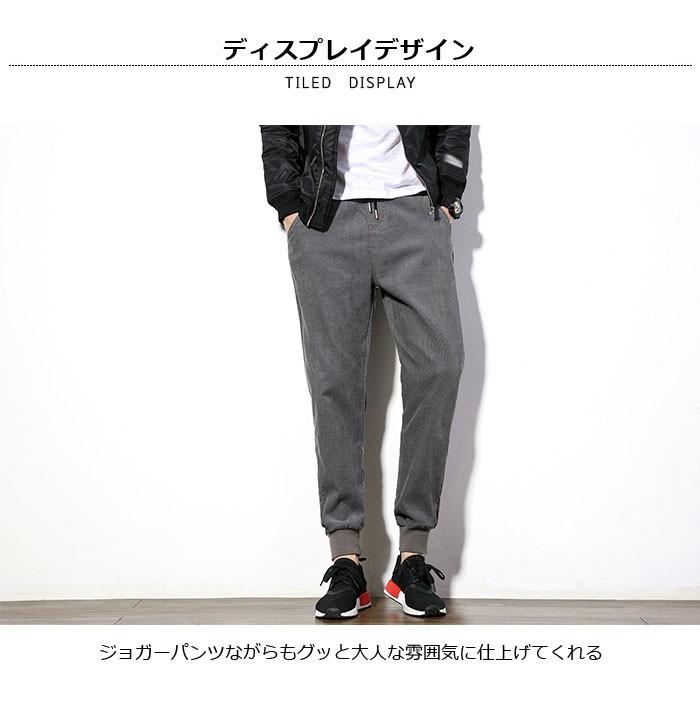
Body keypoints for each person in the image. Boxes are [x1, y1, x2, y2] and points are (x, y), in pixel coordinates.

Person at [260, 125, 471, 618]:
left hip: (415, 213)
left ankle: (412, 557)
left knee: (440, 366)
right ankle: (345, 561)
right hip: (324, 218)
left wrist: (448, 196)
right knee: (333, 383)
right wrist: (287, 206)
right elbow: (278, 126)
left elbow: (454, 122)